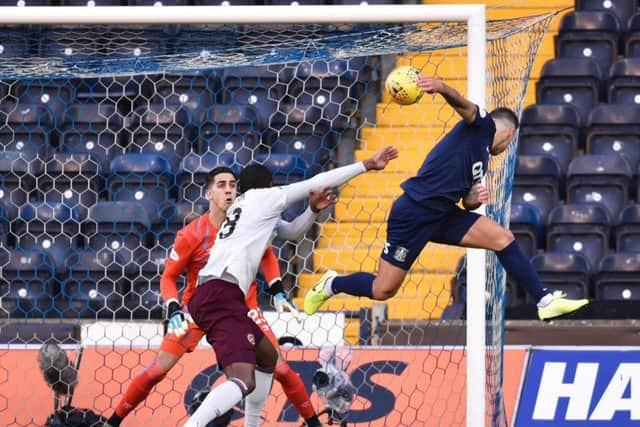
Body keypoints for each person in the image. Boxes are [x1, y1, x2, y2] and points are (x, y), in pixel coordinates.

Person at [303, 76, 589, 321]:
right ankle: (332, 284)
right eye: (510, 143)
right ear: (510, 134)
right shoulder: (483, 125)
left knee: (502, 238)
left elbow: (466, 203)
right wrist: (441, 87)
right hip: (413, 211)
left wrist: (474, 199)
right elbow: (463, 105)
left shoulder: (481, 158)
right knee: (383, 290)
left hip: (443, 214)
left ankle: (545, 302)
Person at [185, 146, 398, 426]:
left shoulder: (244, 209)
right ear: (267, 187)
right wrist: (366, 165)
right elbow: (317, 181)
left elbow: (292, 232)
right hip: (221, 294)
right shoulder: (263, 198)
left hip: (217, 294)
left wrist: (311, 210)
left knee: (267, 358)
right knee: (242, 379)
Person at [105, 166, 329, 427]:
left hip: (244, 307)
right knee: (157, 370)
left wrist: (277, 289)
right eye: (222, 185)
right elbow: (167, 277)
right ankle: (112, 422)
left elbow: (268, 252)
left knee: (279, 367)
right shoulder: (191, 235)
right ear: (209, 193)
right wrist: (174, 307)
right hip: (197, 309)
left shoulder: (252, 219)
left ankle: (314, 423)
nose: (229, 190)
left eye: (233, 185)